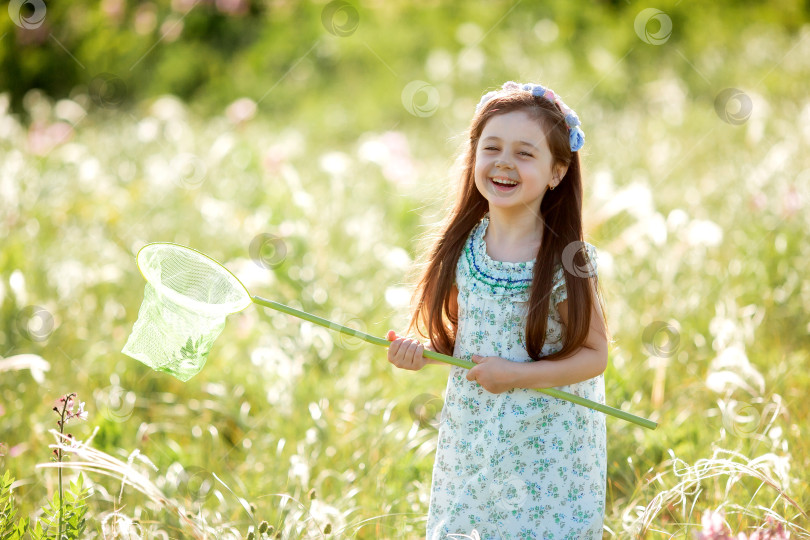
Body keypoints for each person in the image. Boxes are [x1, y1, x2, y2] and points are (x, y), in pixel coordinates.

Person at [386, 81, 610, 539]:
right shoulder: (463, 247)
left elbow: (595, 355)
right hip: (475, 443)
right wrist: (420, 351)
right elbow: (457, 341)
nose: (504, 162)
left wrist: (517, 375)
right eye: (492, 148)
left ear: (557, 172)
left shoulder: (566, 259)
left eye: (525, 153)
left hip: (549, 451)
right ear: (474, 159)